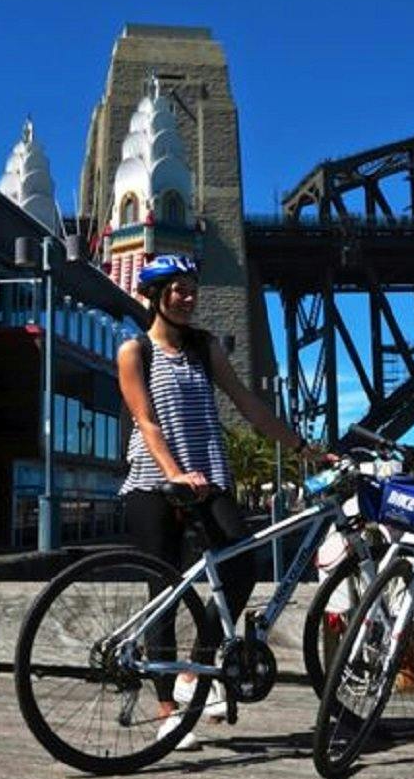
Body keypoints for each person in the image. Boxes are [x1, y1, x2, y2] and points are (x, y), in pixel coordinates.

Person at [118, 253, 310, 741]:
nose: (187, 298)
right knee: (163, 591)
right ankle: (167, 715)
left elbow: (249, 406)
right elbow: (146, 421)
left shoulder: (204, 348)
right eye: (177, 289)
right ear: (156, 296)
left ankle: (192, 675)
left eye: (192, 290)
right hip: (153, 481)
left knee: (242, 563)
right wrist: (174, 474)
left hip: (208, 478)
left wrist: (304, 449)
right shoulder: (134, 351)